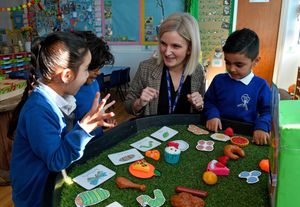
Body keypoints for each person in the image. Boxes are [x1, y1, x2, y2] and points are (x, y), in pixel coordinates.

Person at [10, 32, 115, 207]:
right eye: (86, 69)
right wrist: (84, 129)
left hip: (50, 184)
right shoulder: (39, 109)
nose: (89, 75)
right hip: (35, 195)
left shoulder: (57, 99)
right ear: (67, 75)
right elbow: (56, 160)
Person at [124, 13, 206, 116]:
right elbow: (127, 105)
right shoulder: (146, 68)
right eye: (163, 43)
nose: (167, 52)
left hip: (185, 131)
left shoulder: (198, 71)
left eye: (175, 46)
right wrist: (139, 103)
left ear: (190, 49)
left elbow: (202, 109)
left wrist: (199, 106)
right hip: (153, 131)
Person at [203, 28, 271, 145]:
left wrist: (262, 126)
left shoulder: (261, 85)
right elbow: (209, 102)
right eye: (228, 62)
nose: (232, 69)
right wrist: (212, 115)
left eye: (239, 64)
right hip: (217, 131)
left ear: (255, 61)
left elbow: (269, 111)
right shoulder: (218, 80)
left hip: (248, 135)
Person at [73, 31, 115, 138]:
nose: (99, 72)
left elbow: (96, 114)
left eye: (99, 67)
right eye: (94, 68)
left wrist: (103, 120)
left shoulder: (94, 83)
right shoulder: (69, 91)